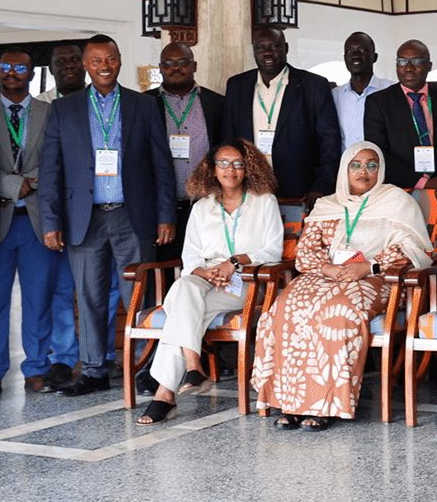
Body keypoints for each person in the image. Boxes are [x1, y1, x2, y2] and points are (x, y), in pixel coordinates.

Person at [253, 142, 433, 430]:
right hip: (326, 275)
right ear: (344, 169)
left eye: (372, 165)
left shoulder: (397, 201)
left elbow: (411, 247)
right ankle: (290, 402)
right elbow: (305, 252)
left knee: (336, 314)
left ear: (380, 169)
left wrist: (369, 266)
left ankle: (325, 404)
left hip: (378, 279)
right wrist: (328, 268)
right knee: (286, 307)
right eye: (356, 165)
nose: (364, 171)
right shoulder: (327, 205)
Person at [39, 35, 177, 398]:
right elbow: (51, 170)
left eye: (111, 59)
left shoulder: (143, 105)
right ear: (86, 65)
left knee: (140, 297)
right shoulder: (63, 109)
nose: (104, 66)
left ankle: (148, 368)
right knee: (90, 297)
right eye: (96, 60)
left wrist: (166, 215)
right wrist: (51, 221)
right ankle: (96, 370)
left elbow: (161, 165)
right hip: (84, 219)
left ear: (119, 61)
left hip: (133, 217)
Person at [135, 139, 282, 426]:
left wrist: (234, 262)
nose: (231, 169)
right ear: (212, 170)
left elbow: (274, 251)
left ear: (249, 168)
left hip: (246, 281)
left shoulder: (264, 202)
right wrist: (207, 273)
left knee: (180, 304)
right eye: (224, 163)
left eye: (238, 163)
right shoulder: (202, 207)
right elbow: (189, 257)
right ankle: (192, 367)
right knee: (185, 287)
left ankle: (166, 393)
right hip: (206, 280)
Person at [0, 49, 76, 395]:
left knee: (40, 300)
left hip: (39, 221)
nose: (12, 73)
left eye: (20, 67)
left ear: (31, 73)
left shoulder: (51, 113)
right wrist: (12, 184)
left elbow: (61, 161)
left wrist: (29, 182)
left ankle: (36, 368)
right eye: (5, 67)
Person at [221, 25, 341, 199]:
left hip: (301, 192)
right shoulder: (237, 86)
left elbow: (330, 141)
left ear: (286, 48)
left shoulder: (313, 85)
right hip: (249, 192)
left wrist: (321, 186)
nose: (267, 52)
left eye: (274, 46)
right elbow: (228, 140)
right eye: (260, 47)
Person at [146, 41, 225, 265]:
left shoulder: (216, 103)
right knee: (165, 270)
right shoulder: (144, 103)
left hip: (207, 206)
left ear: (194, 65)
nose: (176, 68)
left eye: (182, 62)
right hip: (161, 211)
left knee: (207, 267)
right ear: (160, 68)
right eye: (168, 63)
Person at [364, 40, 437, 196]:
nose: (409, 67)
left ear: (429, 66)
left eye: (416, 61)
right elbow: (378, 153)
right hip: (399, 193)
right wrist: (423, 183)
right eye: (402, 61)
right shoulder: (379, 103)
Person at [332, 32, 392, 154]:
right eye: (349, 51)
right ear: (344, 58)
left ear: (374, 57)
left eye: (363, 51)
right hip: (346, 170)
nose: (355, 56)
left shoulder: (391, 90)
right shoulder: (335, 96)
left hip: (384, 168)